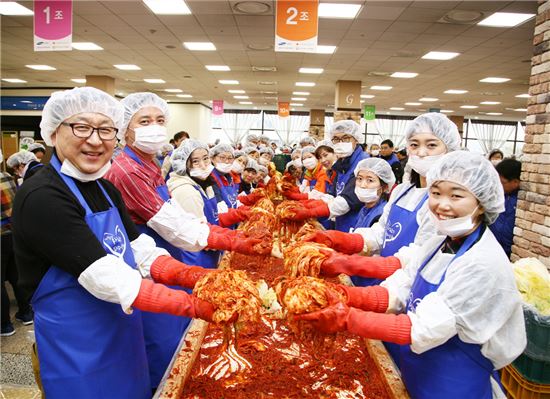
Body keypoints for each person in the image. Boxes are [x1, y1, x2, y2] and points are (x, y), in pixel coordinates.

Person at [11, 87, 218, 398]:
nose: (95, 140)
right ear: (53, 133)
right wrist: (198, 305)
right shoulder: (43, 196)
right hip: (81, 356)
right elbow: (109, 278)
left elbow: (142, 252)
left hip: (124, 339)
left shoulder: (105, 190)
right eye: (81, 127)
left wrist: (202, 278)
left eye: (106, 130)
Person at [298, 151, 526, 399]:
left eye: (456, 196)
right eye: (436, 193)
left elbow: (423, 328)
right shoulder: (440, 242)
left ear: (481, 202)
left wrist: (347, 319)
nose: (443, 204)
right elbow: (400, 288)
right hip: (419, 370)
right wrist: (341, 294)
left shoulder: (483, 263)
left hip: (453, 385)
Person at [105, 92, 265, 389]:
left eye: (159, 120)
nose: (154, 127)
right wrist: (237, 242)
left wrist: (231, 236)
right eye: (144, 121)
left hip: (167, 260)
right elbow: (176, 227)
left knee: (177, 338)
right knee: (162, 344)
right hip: (148, 268)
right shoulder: (127, 171)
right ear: (125, 127)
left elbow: (181, 217)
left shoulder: (148, 165)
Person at [282, 120, 369, 233]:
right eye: (336, 139)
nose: (341, 142)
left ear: (356, 139)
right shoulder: (342, 164)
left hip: (356, 224)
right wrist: (306, 205)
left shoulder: (362, 163)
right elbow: (330, 196)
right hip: (340, 221)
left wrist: (310, 212)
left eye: (346, 138)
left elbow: (347, 201)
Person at [1, 153, 33, 336]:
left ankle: (4, 324)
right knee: (15, 275)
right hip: (13, 232)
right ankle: (26, 312)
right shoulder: (5, 175)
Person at [490, 158, 521, 257]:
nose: (498, 186)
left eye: (502, 182)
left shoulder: (521, 201)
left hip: (509, 252)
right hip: (492, 247)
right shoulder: (495, 196)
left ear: (515, 182)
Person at [209, 143, 239, 213]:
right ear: (212, 158)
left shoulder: (229, 176)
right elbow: (219, 206)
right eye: (222, 157)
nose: (226, 161)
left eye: (230, 158)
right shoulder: (210, 177)